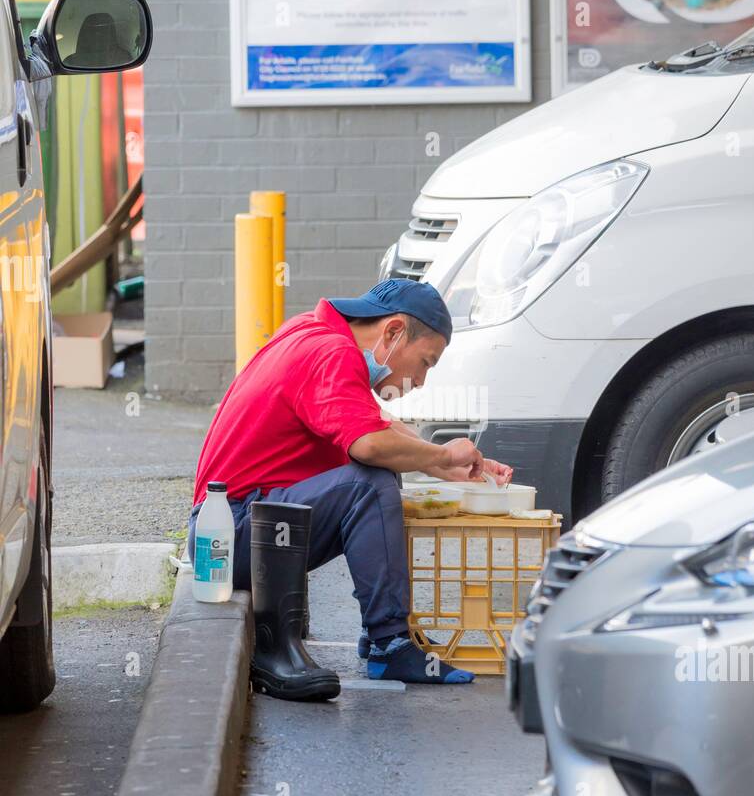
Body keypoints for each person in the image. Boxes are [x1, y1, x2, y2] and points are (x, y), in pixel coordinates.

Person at [187, 280, 512, 701]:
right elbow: (369, 443)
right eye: (426, 362)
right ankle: (391, 643)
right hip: (234, 536)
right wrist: (441, 456)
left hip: (233, 532)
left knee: (378, 475)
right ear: (393, 332)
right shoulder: (332, 353)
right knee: (370, 484)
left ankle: (378, 635)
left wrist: (443, 463)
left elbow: (372, 423)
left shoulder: (312, 333)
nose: (421, 380)